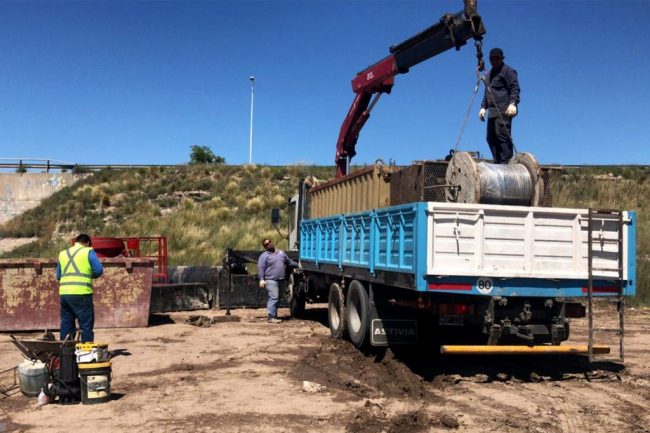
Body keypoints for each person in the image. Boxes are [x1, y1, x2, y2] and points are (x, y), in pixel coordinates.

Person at [57, 234, 103, 342]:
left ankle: (67, 354)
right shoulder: (88, 251)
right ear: (87, 243)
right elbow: (98, 270)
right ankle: (85, 354)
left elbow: (58, 276)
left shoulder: (63, 253)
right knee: (86, 325)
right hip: (82, 293)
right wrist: (90, 276)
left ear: (75, 242)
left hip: (64, 294)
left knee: (66, 325)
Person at [479, 48, 520, 164]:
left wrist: (513, 104)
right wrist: (483, 107)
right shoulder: (489, 75)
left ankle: (506, 164)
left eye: (497, 58)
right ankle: (497, 163)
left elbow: (514, 88)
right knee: (491, 138)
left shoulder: (508, 71)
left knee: (502, 137)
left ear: (502, 58)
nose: (494, 61)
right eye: (492, 59)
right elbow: (487, 92)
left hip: (503, 111)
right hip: (492, 112)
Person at [257, 239, 298, 323]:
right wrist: (261, 279)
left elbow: (289, 262)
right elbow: (261, 268)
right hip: (271, 280)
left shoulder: (281, 253)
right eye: (266, 244)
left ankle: (274, 315)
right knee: (274, 297)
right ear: (264, 247)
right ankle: (271, 317)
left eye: (270, 242)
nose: (269, 244)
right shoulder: (264, 256)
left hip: (281, 280)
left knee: (278, 298)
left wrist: (298, 265)